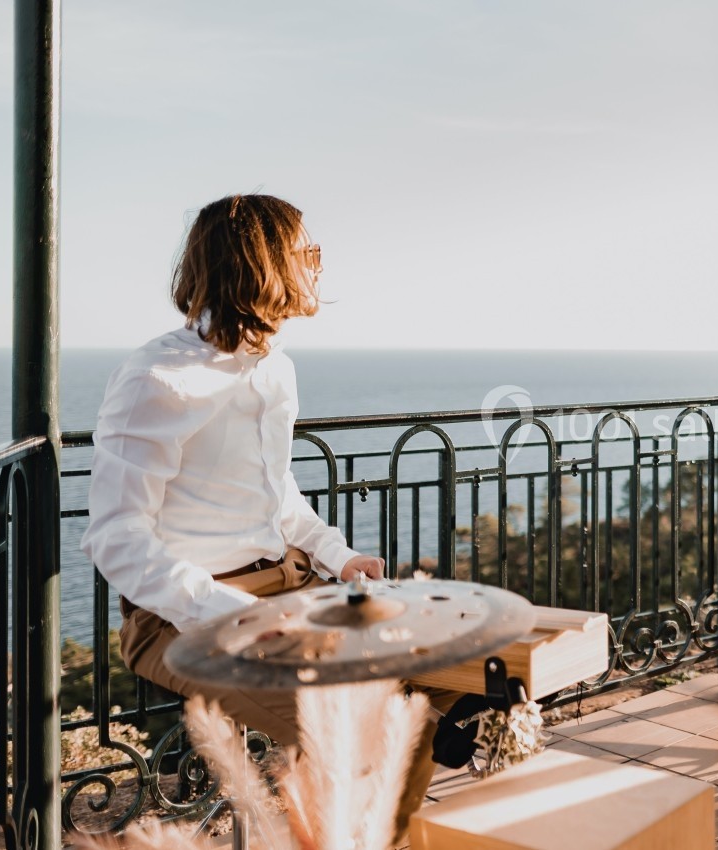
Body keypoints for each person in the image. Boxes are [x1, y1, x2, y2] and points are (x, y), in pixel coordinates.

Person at [80, 193, 453, 843]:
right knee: (368, 731)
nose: (317, 266)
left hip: (293, 587)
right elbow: (114, 537)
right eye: (307, 252)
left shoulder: (275, 370)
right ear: (262, 264)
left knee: (450, 677)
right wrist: (232, 615)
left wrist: (339, 557)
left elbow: (275, 491)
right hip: (183, 622)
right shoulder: (158, 378)